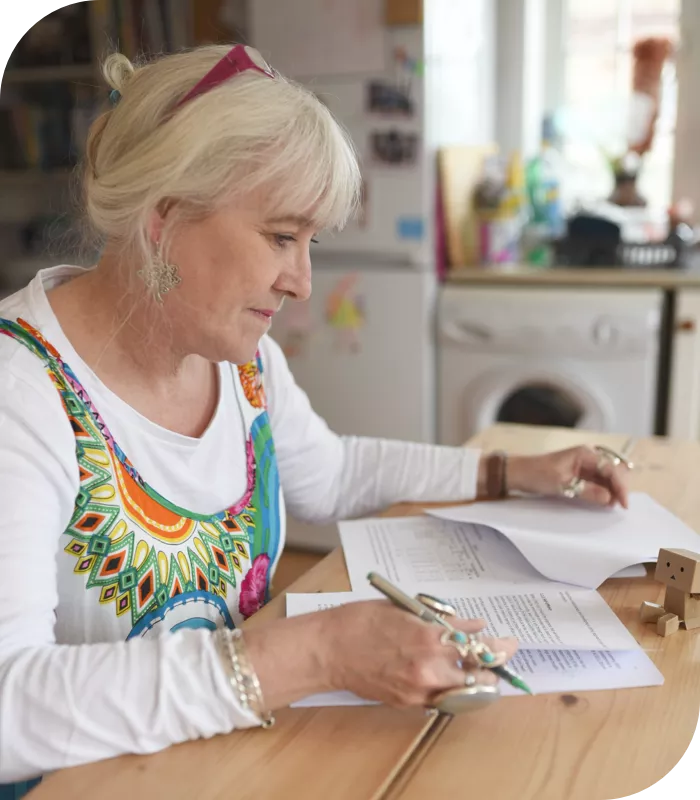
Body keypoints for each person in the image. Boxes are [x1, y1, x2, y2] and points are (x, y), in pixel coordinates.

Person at [0, 44, 630, 795]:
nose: (301, 283)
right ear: (164, 219)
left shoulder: (238, 360)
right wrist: (315, 654)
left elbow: (330, 474)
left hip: (229, 761)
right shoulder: (21, 391)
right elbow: (10, 710)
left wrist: (510, 471)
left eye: (311, 243)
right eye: (280, 236)